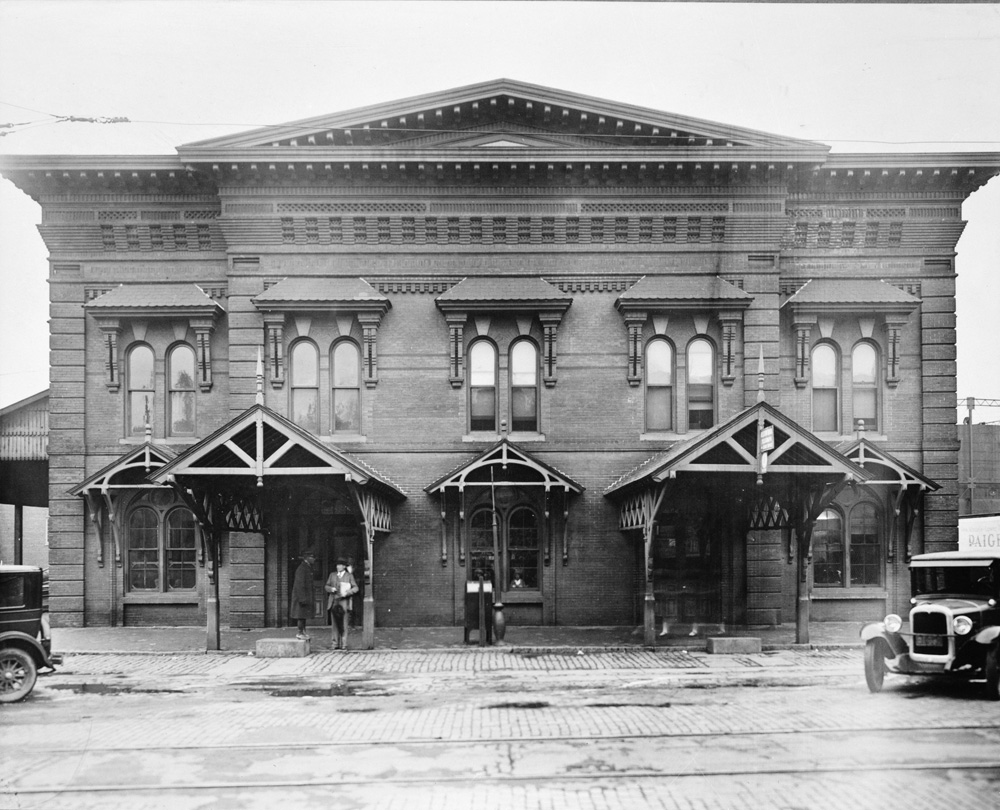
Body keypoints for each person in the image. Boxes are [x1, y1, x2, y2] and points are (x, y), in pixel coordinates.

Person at [326, 557, 359, 650]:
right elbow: (326, 586)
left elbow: (356, 588)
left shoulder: (349, 576)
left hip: (344, 601)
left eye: (340, 565)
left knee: (344, 623)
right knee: (335, 623)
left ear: (344, 566)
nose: (338, 567)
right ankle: (335, 643)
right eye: (337, 565)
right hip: (334, 601)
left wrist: (347, 592)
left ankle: (344, 644)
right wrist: (331, 589)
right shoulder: (332, 575)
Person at [289, 551, 316, 640]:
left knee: (303, 616)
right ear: (307, 558)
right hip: (301, 598)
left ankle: (303, 632)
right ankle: (300, 633)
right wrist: (302, 599)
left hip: (303, 597)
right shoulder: (302, 569)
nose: (314, 559)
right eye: (312, 557)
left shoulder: (307, 568)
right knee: (300, 615)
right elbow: (300, 585)